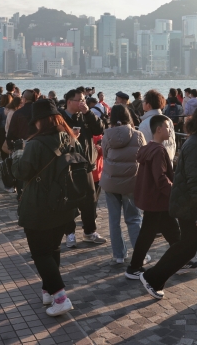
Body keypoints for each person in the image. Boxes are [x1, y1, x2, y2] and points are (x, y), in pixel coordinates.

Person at [140, 105, 197, 306]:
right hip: (195, 208)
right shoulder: (195, 146)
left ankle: (155, 278)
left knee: (196, 248)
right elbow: (194, 180)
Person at [13, 99, 82, 317]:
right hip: (64, 204)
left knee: (41, 253)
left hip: (39, 207)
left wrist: (17, 154)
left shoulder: (35, 144)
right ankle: (48, 291)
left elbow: (21, 172)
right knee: (53, 250)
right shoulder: (70, 138)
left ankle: (60, 298)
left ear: (40, 121)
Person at [125, 115, 197, 280]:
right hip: (158, 200)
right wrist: (175, 193)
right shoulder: (159, 151)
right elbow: (160, 178)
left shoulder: (148, 148)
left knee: (172, 231)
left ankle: (181, 261)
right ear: (159, 129)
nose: (170, 130)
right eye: (168, 127)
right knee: (148, 234)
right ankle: (134, 267)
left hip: (154, 199)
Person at [59, 88, 106, 247]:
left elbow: (99, 129)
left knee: (90, 199)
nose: (82, 103)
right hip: (67, 164)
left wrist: (88, 113)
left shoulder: (85, 116)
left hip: (86, 163)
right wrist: (68, 137)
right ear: (69, 101)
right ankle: (70, 234)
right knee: (68, 200)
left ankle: (89, 231)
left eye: (83, 100)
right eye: (79, 100)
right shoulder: (60, 118)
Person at [101, 104, 146, 264]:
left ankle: (119, 255)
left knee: (114, 220)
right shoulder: (138, 135)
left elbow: (105, 155)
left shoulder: (107, 135)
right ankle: (140, 255)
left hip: (111, 181)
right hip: (131, 182)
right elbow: (143, 157)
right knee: (134, 219)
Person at [139, 90, 177, 160]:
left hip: (153, 163)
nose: (142, 103)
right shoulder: (168, 120)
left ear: (148, 105)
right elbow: (172, 143)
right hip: (168, 160)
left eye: (144, 101)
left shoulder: (145, 123)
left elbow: (144, 147)